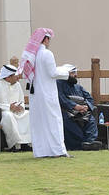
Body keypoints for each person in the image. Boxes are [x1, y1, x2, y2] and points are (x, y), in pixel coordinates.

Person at [19, 27, 73, 158]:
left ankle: (41, 152)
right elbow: (53, 72)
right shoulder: (47, 54)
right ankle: (59, 151)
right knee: (54, 121)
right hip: (47, 93)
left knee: (39, 123)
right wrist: (66, 71)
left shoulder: (33, 55)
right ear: (46, 39)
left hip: (36, 95)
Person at [0, 63, 31, 151]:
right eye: (15, 76)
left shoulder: (17, 85)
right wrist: (9, 107)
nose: (18, 78)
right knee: (9, 116)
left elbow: (22, 100)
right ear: (8, 77)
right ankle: (15, 144)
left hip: (16, 111)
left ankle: (26, 143)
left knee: (28, 114)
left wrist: (20, 107)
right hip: (2, 112)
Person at [56, 67, 102, 151]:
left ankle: (90, 142)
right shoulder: (58, 84)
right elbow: (61, 99)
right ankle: (81, 145)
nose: (75, 75)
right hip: (67, 111)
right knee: (70, 123)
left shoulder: (78, 87)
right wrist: (75, 106)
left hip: (82, 112)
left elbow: (90, 99)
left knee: (91, 120)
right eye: (72, 73)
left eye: (75, 73)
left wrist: (86, 106)